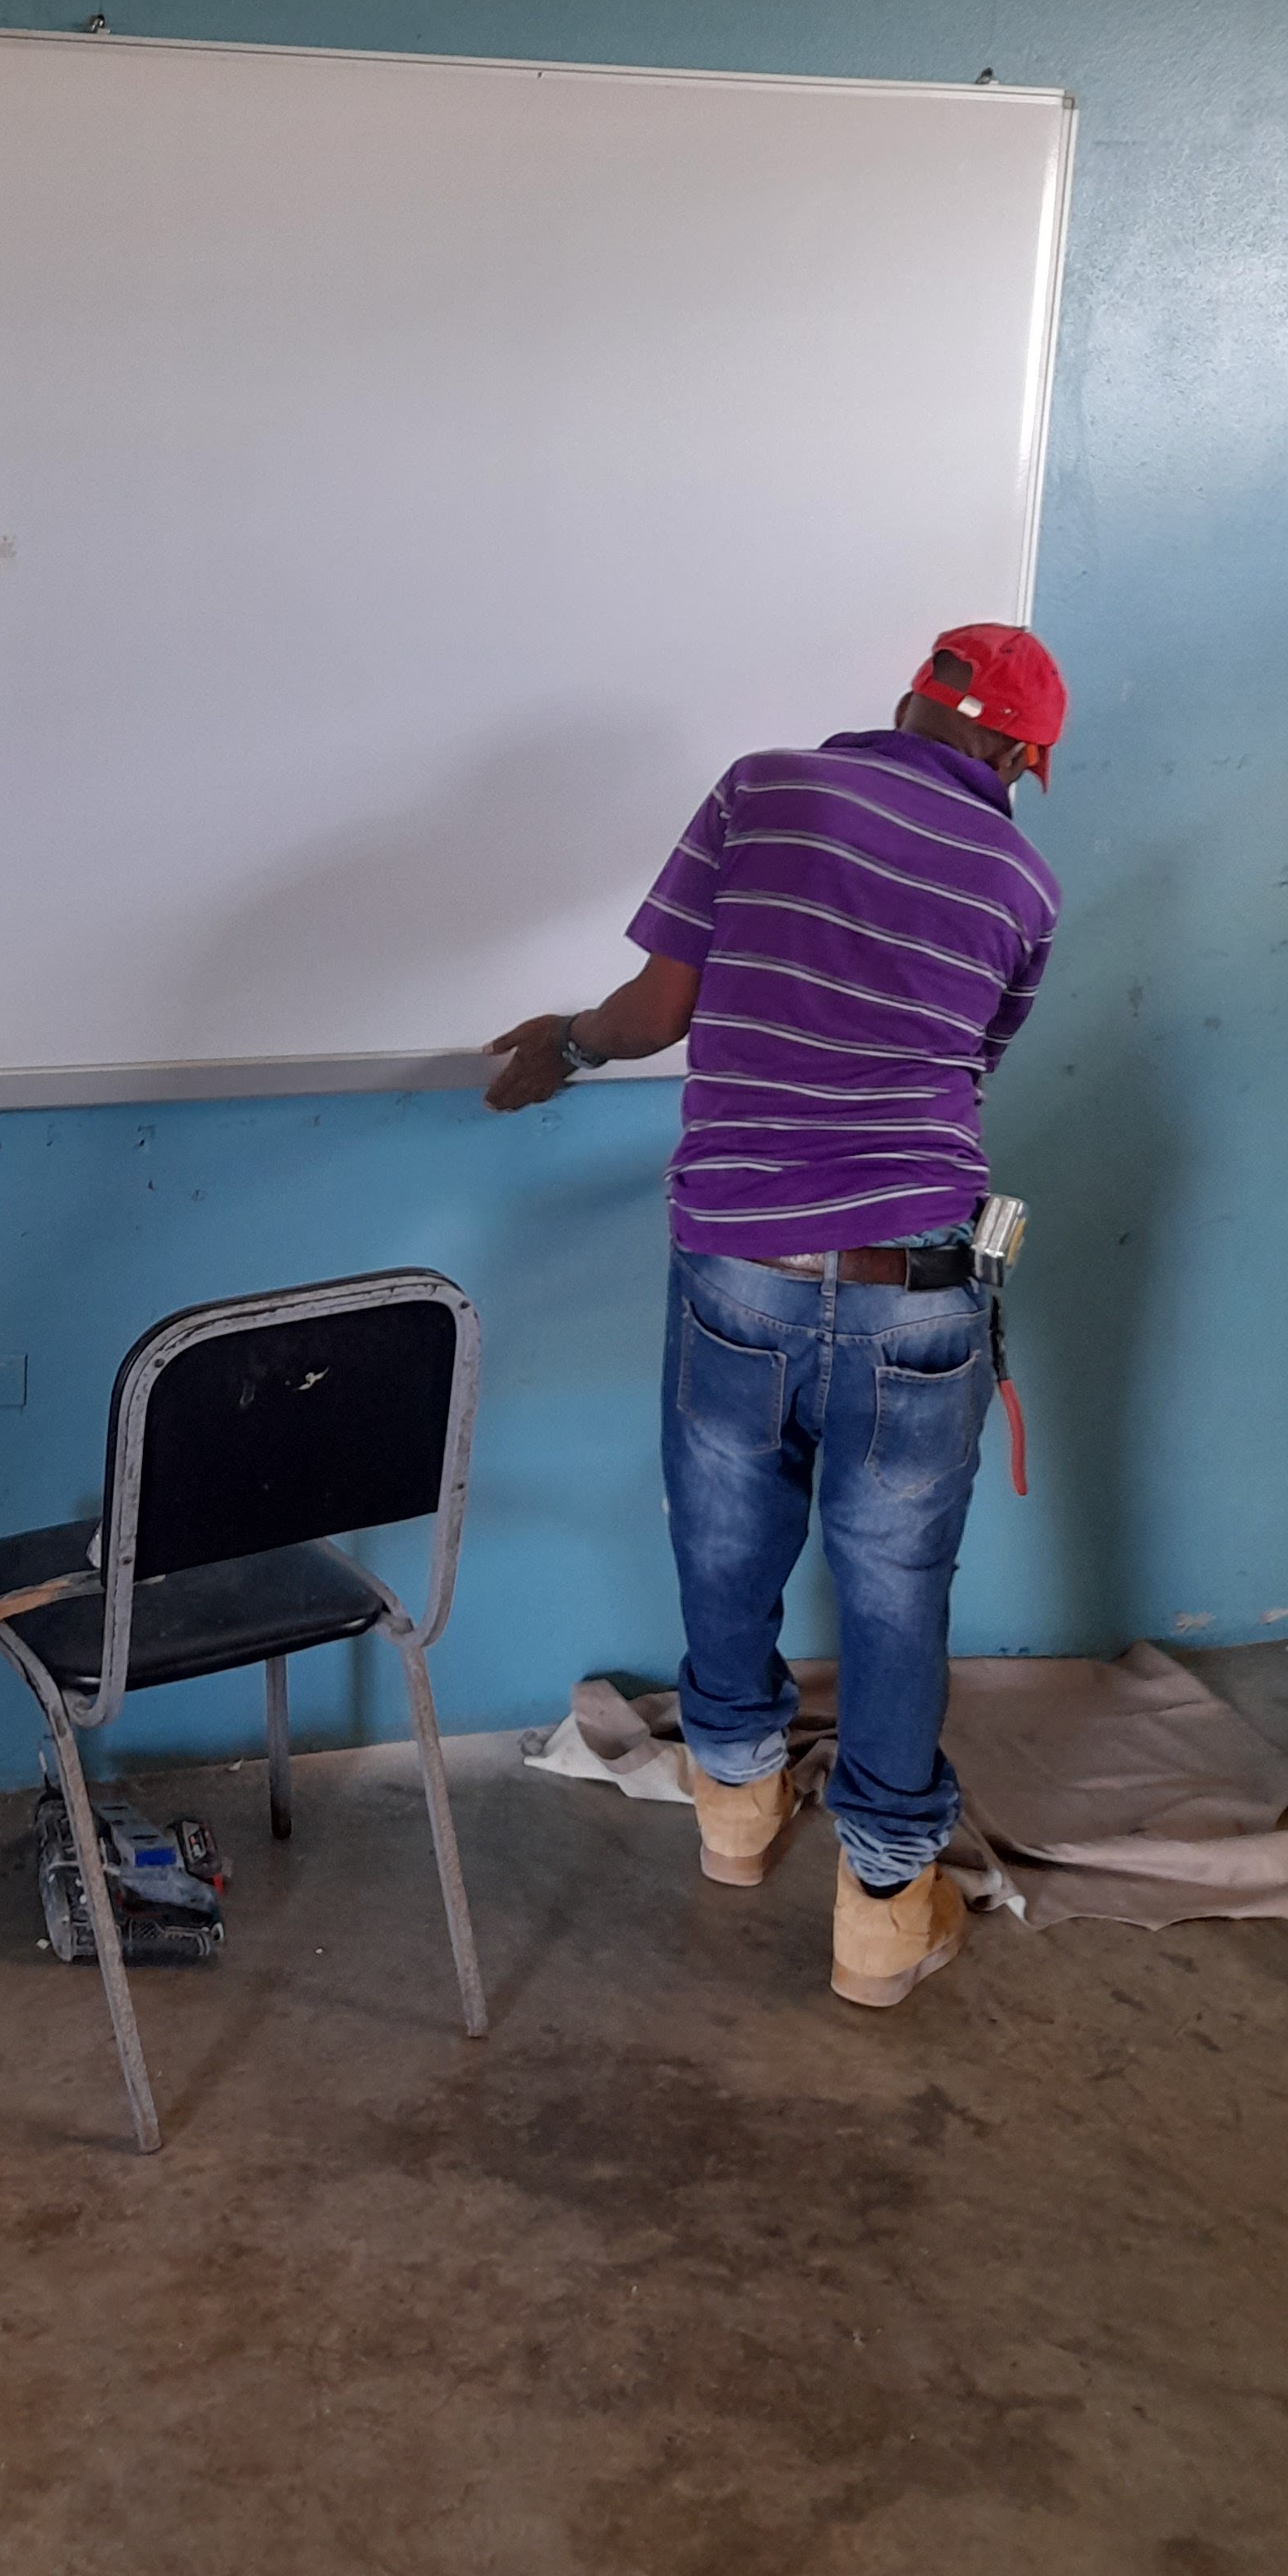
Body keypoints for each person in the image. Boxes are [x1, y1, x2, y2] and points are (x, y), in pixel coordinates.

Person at [484, 625, 1067, 2008]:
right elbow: (963, 1062)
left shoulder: (764, 789)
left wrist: (561, 1048)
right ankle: (880, 1912)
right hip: (916, 1291)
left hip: (738, 1264)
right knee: (895, 1591)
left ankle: (738, 1819)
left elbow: (658, 1008)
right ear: (1017, 757)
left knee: (727, 1536)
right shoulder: (1023, 881)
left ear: (912, 700)